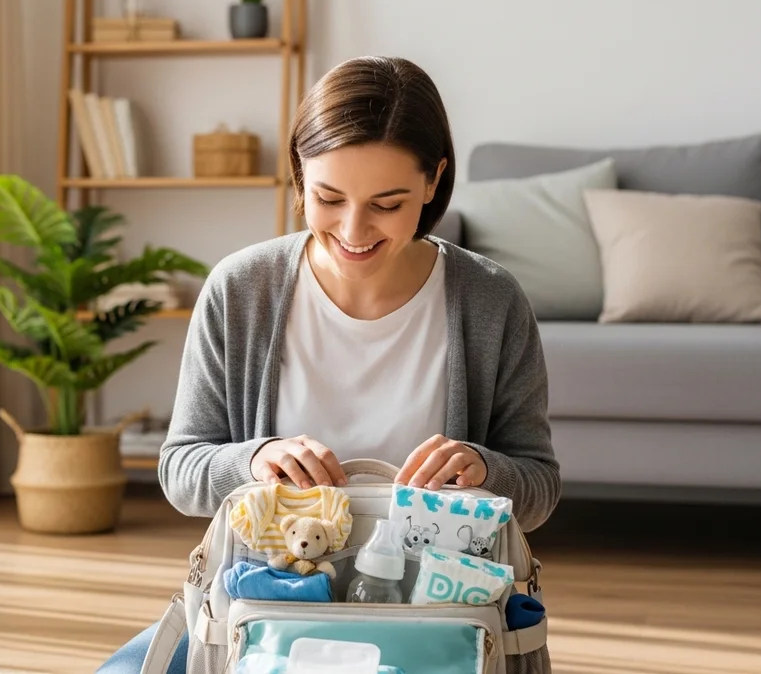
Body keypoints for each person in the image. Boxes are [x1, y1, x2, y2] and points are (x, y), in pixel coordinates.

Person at [96, 55, 560, 674]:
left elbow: (538, 486)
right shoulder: (241, 290)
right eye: (329, 197)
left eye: (387, 203)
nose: (353, 229)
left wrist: (485, 470)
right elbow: (180, 468)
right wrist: (254, 460)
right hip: (263, 610)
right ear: (298, 176)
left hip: (435, 621)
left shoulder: (491, 300)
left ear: (433, 180)